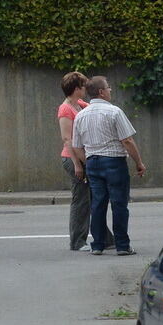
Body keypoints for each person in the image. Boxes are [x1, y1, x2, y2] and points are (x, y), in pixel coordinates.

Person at [72, 76, 146, 256]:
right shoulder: (114, 112)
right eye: (108, 87)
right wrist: (139, 162)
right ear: (101, 92)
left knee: (98, 204)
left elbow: (76, 145)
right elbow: (127, 140)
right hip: (114, 162)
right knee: (119, 203)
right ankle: (122, 245)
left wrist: (88, 160)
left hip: (93, 162)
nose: (110, 90)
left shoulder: (81, 115)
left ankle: (98, 244)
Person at [56, 71, 113, 251]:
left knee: (93, 198)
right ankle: (78, 241)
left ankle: (105, 238)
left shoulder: (80, 104)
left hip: (84, 157)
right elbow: (67, 139)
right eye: (83, 86)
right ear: (76, 89)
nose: (86, 88)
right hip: (73, 159)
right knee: (81, 200)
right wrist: (77, 164)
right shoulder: (65, 109)